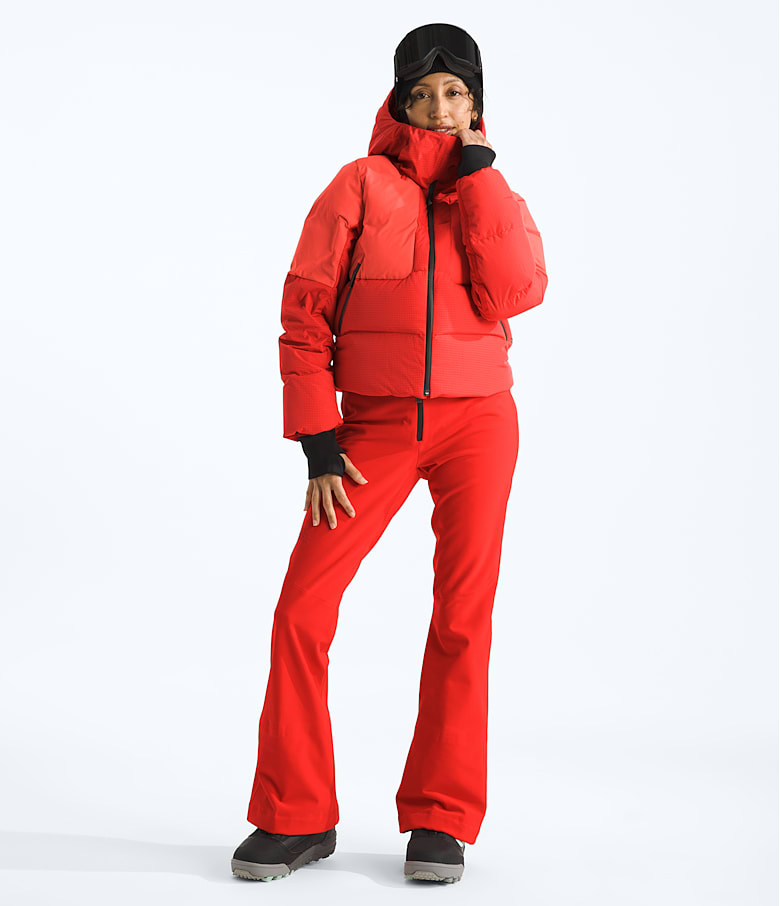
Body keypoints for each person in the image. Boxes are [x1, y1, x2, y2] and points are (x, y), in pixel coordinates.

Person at [231, 22, 548, 884]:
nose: (440, 108)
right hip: (373, 428)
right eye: (424, 94)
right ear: (400, 102)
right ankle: (296, 815)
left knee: (462, 617)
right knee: (303, 609)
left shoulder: (494, 190)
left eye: (456, 93)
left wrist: (479, 179)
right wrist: (318, 440)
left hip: (480, 425)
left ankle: (442, 819)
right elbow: (304, 311)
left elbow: (520, 290)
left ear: (476, 103)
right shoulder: (359, 185)